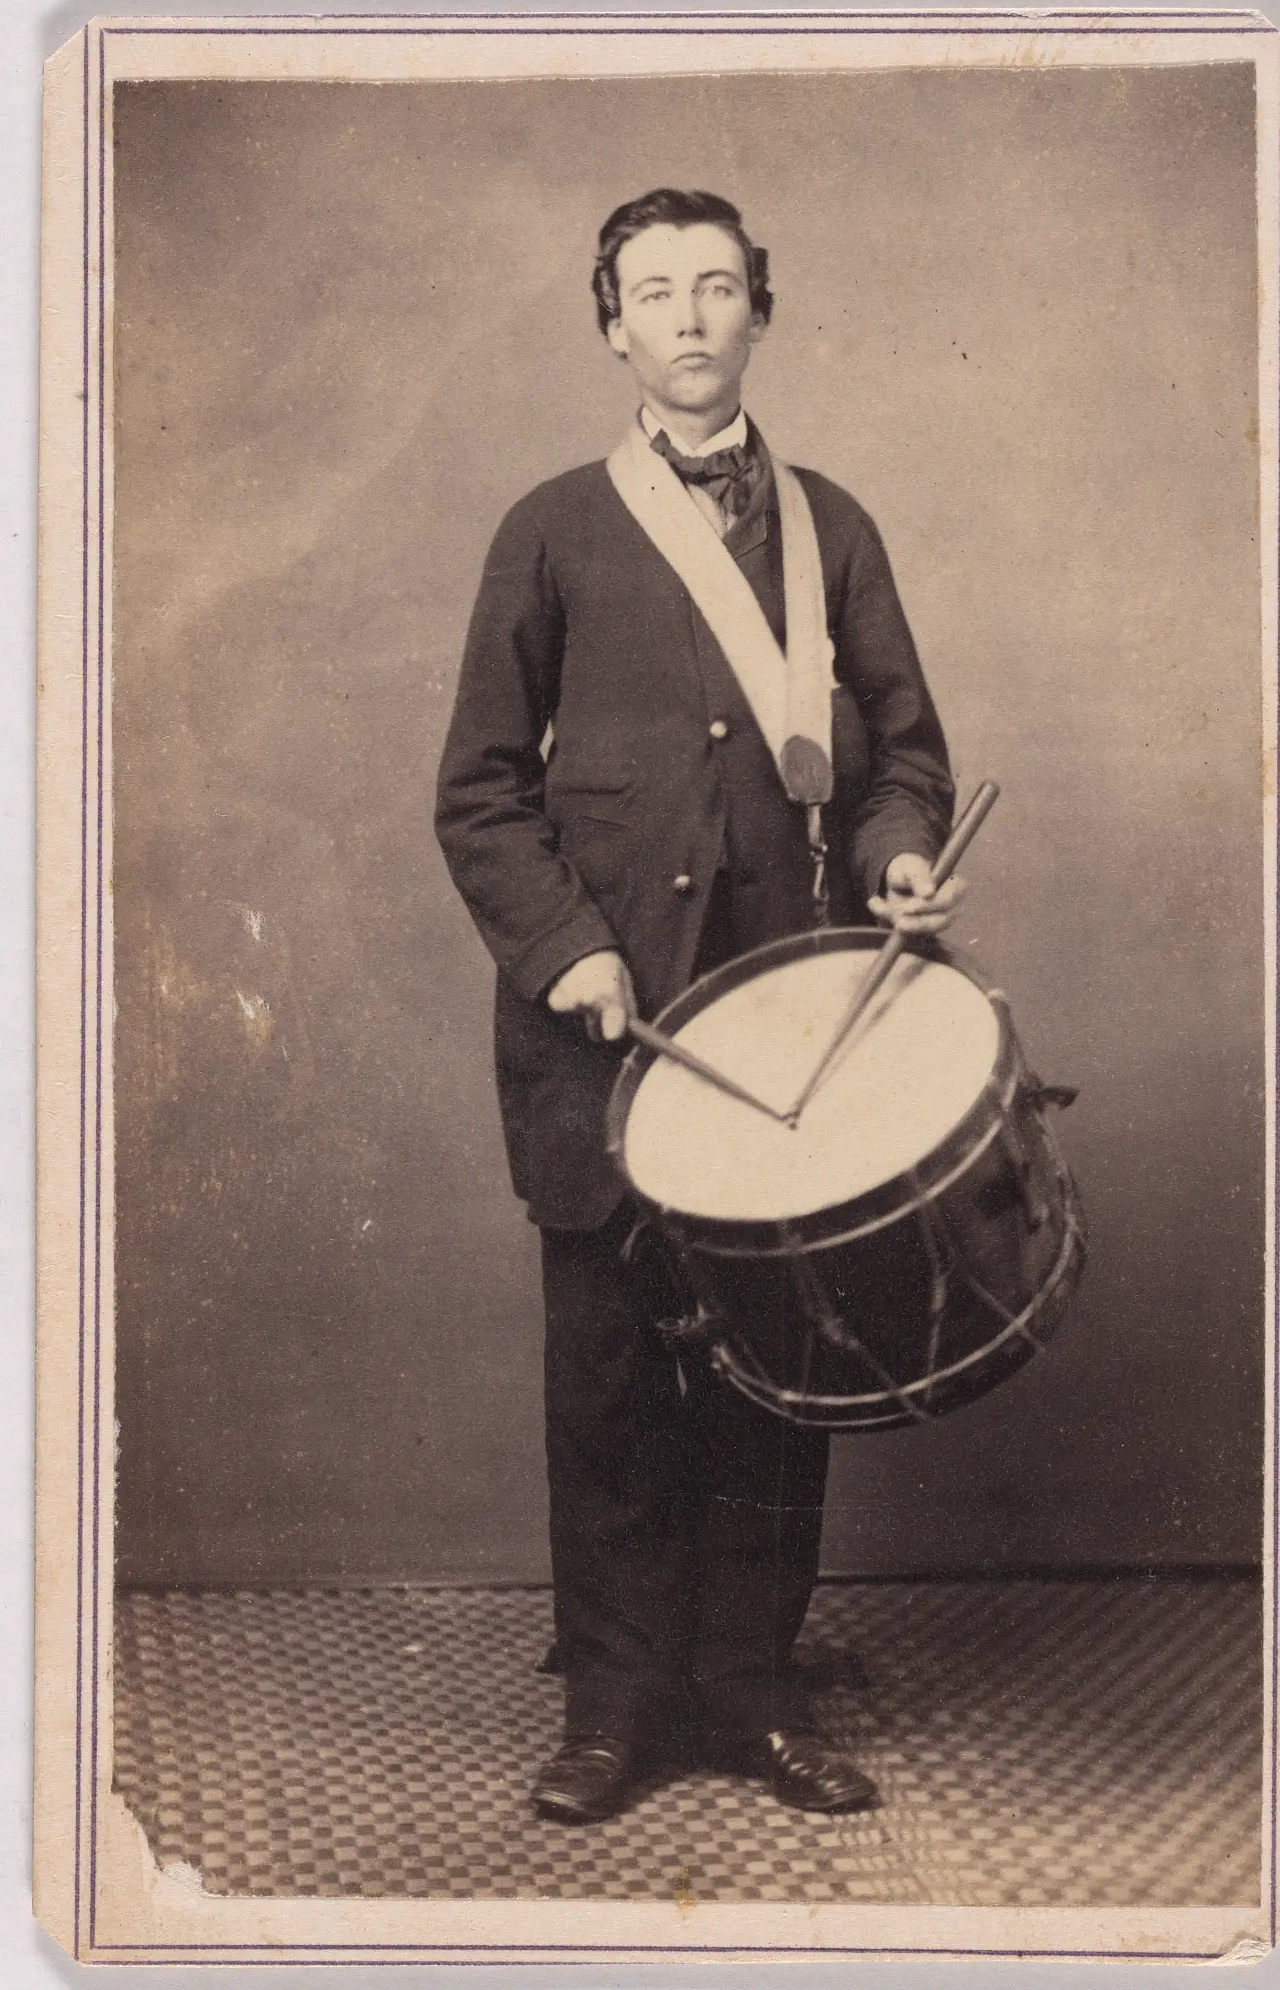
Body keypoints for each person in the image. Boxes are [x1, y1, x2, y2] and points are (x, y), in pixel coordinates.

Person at [436, 187, 963, 1824]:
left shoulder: (834, 527)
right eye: (654, 291)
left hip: (783, 1032)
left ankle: (750, 1686)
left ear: (759, 313)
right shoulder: (549, 528)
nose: (687, 316)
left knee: (773, 1372)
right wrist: (568, 948)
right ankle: (612, 1708)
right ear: (613, 328)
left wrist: (894, 857)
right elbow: (477, 793)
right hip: (601, 1032)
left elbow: (904, 756)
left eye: (717, 286)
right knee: (606, 1378)